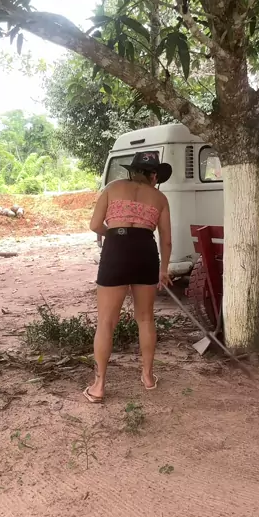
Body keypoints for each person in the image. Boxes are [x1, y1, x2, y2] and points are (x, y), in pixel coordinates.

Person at [84, 151, 172, 403]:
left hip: (116, 250)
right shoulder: (160, 198)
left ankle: (99, 386)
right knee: (145, 319)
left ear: (132, 171)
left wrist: (114, 233)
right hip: (146, 252)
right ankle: (148, 377)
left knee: (106, 322)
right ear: (153, 175)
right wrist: (164, 269)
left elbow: (94, 225)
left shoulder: (112, 188)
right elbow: (166, 240)